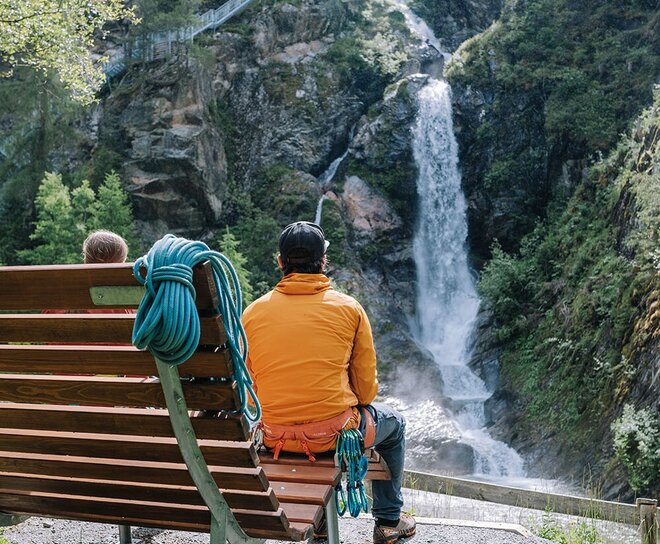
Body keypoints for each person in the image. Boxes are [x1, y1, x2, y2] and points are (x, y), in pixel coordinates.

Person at [242, 221, 416, 544]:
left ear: (280, 262)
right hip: (333, 438)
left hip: (276, 437)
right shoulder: (350, 309)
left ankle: (321, 523)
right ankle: (389, 521)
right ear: (323, 261)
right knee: (396, 425)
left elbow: (251, 396)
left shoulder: (251, 314)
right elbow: (365, 392)